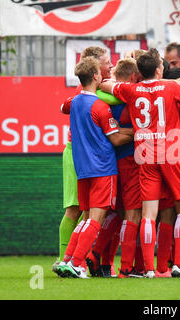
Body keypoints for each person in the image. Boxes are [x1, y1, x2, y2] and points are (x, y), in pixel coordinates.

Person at [99, 49, 180, 278]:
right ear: (159, 70)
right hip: (171, 154)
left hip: (144, 154)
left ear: (140, 72)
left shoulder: (131, 89)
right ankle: (179, 265)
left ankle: (149, 269)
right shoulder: (172, 87)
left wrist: (108, 83)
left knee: (148, 213)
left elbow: (107, 86)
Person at [56, 57, 133, 278]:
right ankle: (77, 263)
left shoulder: (75, 103)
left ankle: (69, 260)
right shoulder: (100, 106)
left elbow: (64, 107)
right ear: (97, 77)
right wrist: (138, 131)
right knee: (96, 220)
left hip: (83, 171)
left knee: (87, 218)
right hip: (103, 169)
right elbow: (116, 139)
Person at [53, 46, 115, 276]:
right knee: (77, 211)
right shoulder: (92, 96)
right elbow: (114, 130)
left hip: (83, 160)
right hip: (90, 159)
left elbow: (64, 106)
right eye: (106, 63)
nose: (110, 66)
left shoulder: (81, 95)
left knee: (85, 214)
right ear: (95, 71)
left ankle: (68, 260)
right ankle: (71, 260)